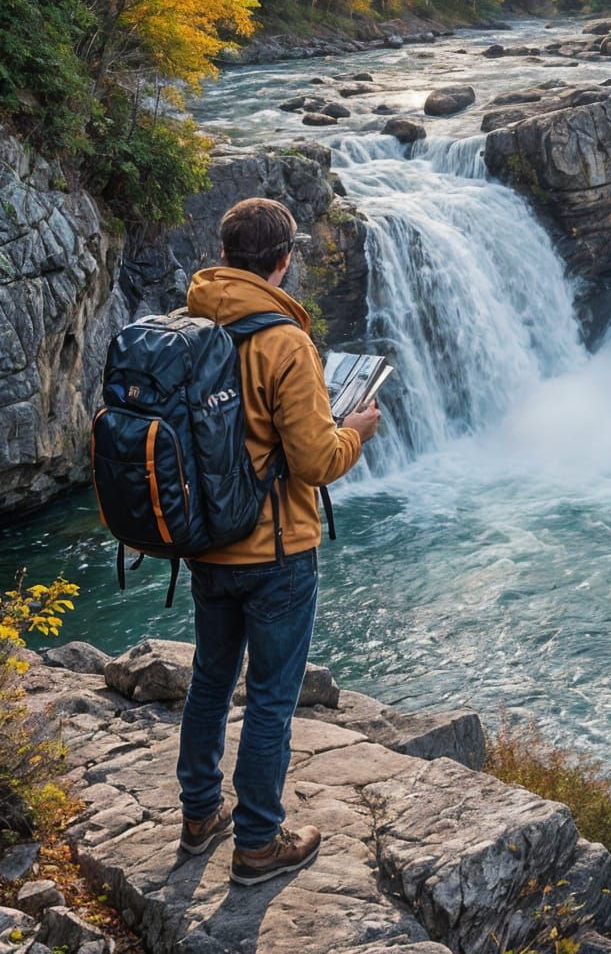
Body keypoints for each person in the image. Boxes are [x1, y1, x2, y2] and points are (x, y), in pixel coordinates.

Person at [175, 196, 379, 886]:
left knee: (210, 679)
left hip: (207, 541)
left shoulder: (190, 323)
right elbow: (316, 461)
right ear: (283, 261)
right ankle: (259, 841)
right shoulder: (284, 342)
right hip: (277, 551)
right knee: (268, 696)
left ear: (229, 254)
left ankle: (201, 813)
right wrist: (358, 429)